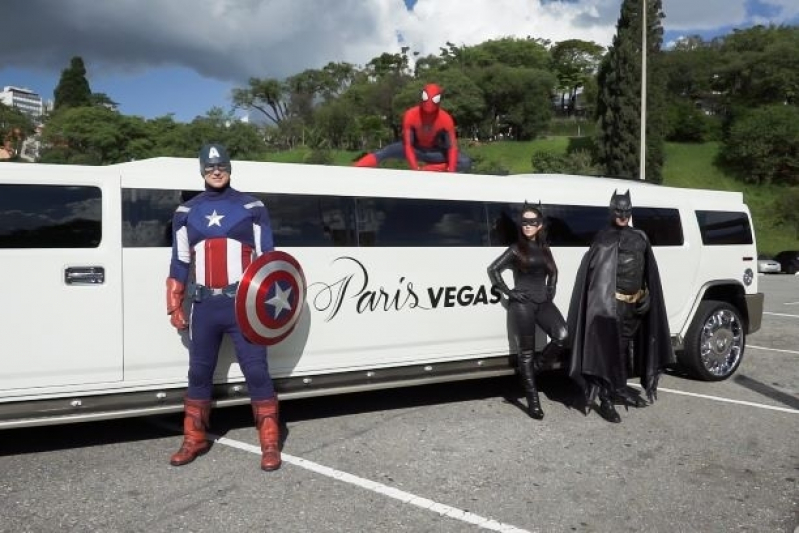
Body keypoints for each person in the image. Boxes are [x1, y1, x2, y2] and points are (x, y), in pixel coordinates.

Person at [166, 143, 281, 471]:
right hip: (204, 305)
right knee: (198, 372)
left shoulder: (251, 206)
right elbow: (180, 260)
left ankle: (269, 443)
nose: (216, 171)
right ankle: (193, 438)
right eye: (209, 166)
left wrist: (270, 305)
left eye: (222, 166)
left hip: (243, 305)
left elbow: (268, 258)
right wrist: (174, 300)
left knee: (256, 370)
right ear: (201, 170)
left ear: (230, 167)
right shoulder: (186, 213)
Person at [567, 190, 675, 423]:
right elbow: (596, 279)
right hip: (610, 306)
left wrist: (647, 294)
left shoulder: (640, 237)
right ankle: (606, 400)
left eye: (627, 210)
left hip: (634, 308)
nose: (623, 214)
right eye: (619, 210)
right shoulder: (602, 239)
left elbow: (647, 271)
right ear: (611, 210)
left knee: (625, 351)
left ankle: (619, 389)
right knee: (608, 353)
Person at [487, 203, 569, 419]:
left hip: (542, 302)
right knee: (526, 352)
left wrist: (551, 290)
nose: (528, 226)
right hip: (522, 304)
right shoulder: (516, 248)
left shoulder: (545, 248)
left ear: (540, 225)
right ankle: (533, 402)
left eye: (533, 222)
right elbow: (493, 269)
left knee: (562, 335)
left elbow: (553, 272)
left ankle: (534, 368)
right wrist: (509, 292)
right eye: (524, 222)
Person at [353, 83, 472, 173]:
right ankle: (353, 170)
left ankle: (430, 169)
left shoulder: (446, 119)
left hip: (436, 152)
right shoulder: (410, 115)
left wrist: (450, 171)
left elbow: (452, 148)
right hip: (415, 149)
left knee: (465, 162)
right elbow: (408, 145)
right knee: (384, 152)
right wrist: (414, 168)